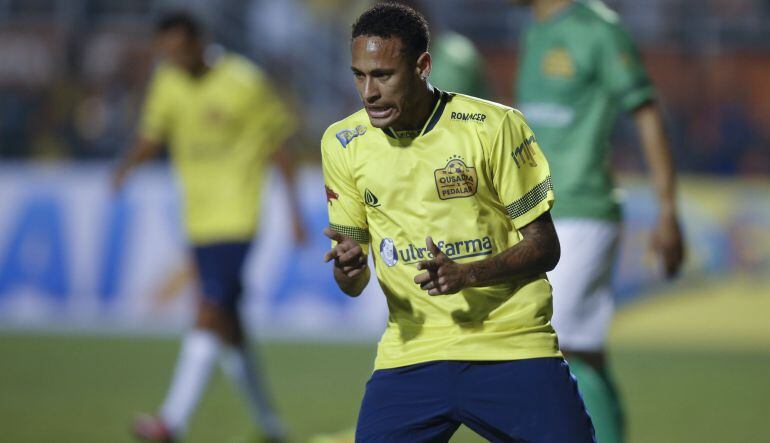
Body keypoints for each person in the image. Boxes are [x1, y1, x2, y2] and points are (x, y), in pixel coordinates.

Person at [321, 3, 595, 442]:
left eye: (383, 75)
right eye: (359, 74)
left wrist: (467, 274)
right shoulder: (342, 143)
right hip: (411, 355)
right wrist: (348, 268)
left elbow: (546, 247)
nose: (368, 91)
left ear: (423, 65)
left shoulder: (494, 127)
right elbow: (352, 283)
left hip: (510, 345)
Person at [112, 11, 304, 443]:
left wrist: (294, 214)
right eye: (167, 53)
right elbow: (152, 134)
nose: (175, 59)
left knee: (208, 308)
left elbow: (279, 146)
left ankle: (170, 422)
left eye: (181, 50)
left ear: (202, 43)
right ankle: (271, 427)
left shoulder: (243, 80)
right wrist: (124, 168)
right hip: (197, 218)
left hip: (237, 216)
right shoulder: (168, 82)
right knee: (228, 324)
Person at [511, 1, 685, 442]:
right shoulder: (535, 29)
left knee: (554, 344)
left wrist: (667, 209)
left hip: (583, 211)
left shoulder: (598, 29)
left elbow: (645, 112)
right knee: (583, 351)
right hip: (539, 215)